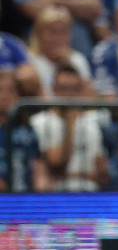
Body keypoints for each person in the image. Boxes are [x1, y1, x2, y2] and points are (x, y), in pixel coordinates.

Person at [31, 64, 110, 192]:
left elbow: (102, 175)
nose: (69, 95)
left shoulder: (91, 124)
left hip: (90, 194)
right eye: (64, 89)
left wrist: (71, 175)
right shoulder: (39, 123)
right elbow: (56, 165)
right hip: (55, 195)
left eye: (75, 89)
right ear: (54, 89)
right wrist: (70, 124)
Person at [0, 70, 47, 193]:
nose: (5, 96)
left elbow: (38, 166)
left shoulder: (27, 131)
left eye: (11, 90)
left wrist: (42, 187)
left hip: (26, 195)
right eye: (0, 90)